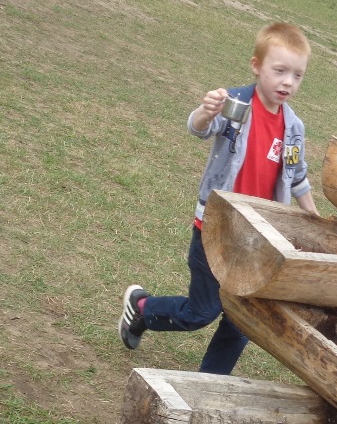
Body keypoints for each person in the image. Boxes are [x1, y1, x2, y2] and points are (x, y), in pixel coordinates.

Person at [118, 21, 318, 374]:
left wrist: (313, 219)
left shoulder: (294, 128)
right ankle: (143, 309)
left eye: (297, 75)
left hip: (259, 237)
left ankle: (210, 383)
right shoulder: (234, 103)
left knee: (242, 320)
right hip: (215, 228)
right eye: (280, 71)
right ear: (256, 66)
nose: (288, 82)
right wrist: (205, 111)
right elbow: (199, 128)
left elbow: (296, 175)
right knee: (201, 312)